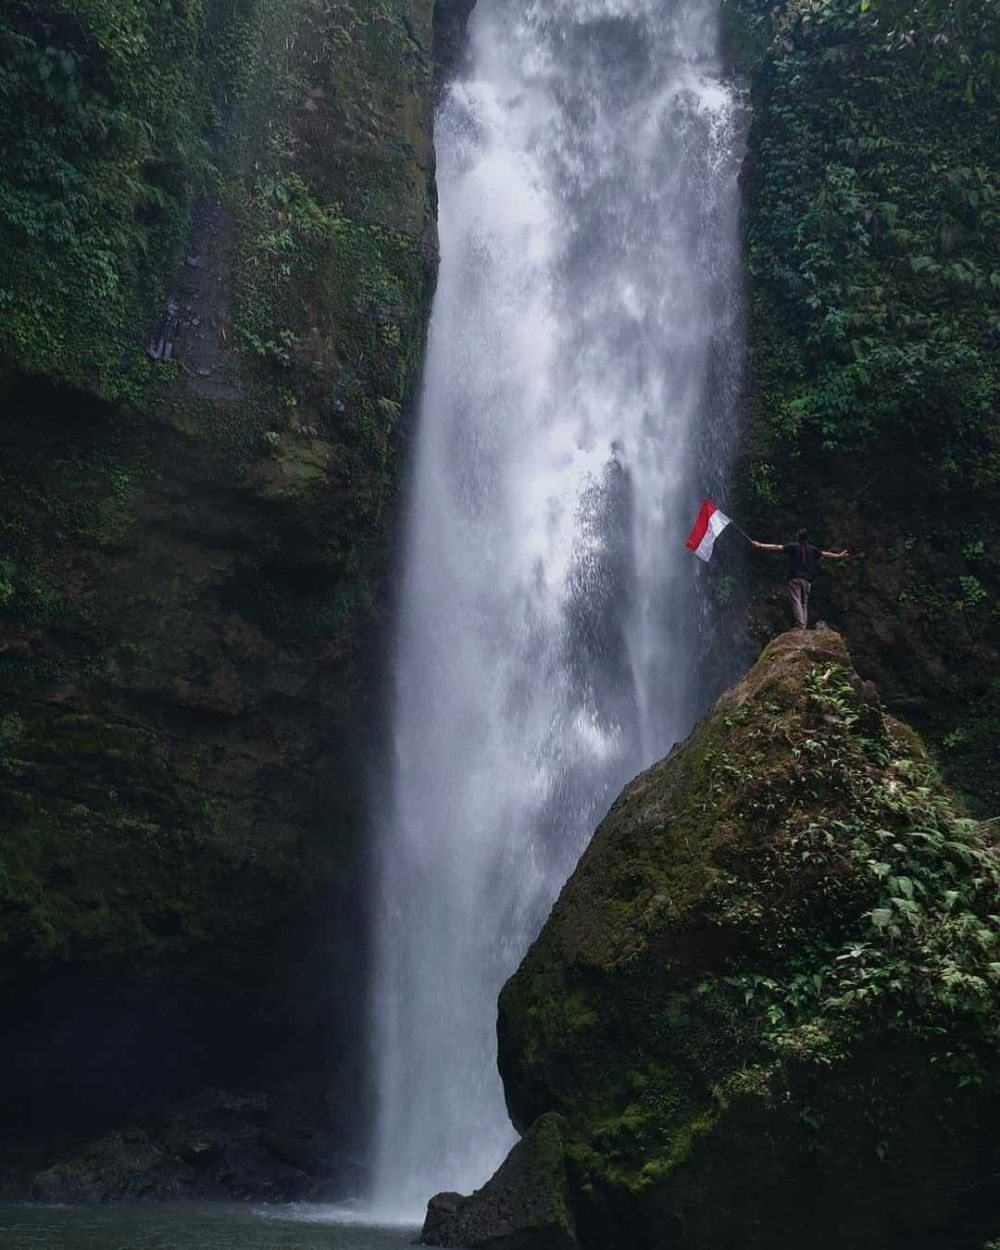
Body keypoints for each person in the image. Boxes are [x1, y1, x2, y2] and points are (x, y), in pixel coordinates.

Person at [751, 528, 851, 630]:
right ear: (807, 538)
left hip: (795, 579)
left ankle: (800, 624)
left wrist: (760, 545)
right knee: (804, 603)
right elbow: (825, 554)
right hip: (807, 581)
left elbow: (776, 547)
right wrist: (838, 556)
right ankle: (803, 625)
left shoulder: (793, 547)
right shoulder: (812, 549)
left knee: (796, 601)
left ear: (797, 537)